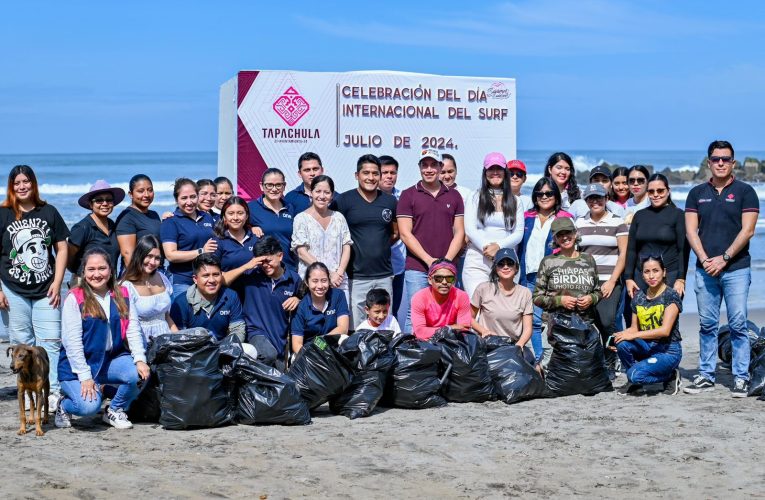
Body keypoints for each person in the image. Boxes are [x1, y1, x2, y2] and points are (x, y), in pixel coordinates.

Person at [684, 140, 759, 396]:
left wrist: (724, 258)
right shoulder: (696, 193)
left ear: (733, 163)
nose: (720, 163)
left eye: (725, 159)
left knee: (738, 324)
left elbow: (747, 230)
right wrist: (706, 260)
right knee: (707, 324)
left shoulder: (746, 191)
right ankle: (705, 375)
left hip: (737, 268)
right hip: (705, 270)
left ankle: (740, 376)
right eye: (716, 159)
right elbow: (691, 231)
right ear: (709, 162)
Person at [55, 247, 149, 430]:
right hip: (77, 366)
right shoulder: (75, 298)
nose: (97, 274)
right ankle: (63, 405)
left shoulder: (123, 293)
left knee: (139, 376)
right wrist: (85, 377)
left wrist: (139, 359)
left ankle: (114, 409)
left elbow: (133, 330)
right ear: (83, 272)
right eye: (91, 269)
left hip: (110, 359)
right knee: (88, 406)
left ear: (111, 270)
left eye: (102, 268)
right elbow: (71, 342)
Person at [0, 165, 69, 407]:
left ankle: (51, 392)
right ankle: (28, 394)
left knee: (50, 342)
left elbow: (62, 248)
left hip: (46, 290)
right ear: (11, 186)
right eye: (17, 182)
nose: (22, 186)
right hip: (12, 289)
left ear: (33, 184)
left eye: (26, 181)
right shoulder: (3, 214)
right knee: (21, 341)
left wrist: (58, 282)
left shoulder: (48, 211)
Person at [398, 148, 465, 332]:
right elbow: (405, 233)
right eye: (424, 165)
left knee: (448, 314)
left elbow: (459, 232)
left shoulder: (454, 195)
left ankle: (440, 356)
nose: (429, 169)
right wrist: (430, 261)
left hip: (449, 267)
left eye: (433, 165)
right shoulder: (408, 195)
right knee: (416, 314)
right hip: (418, 267)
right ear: (419, 167)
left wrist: (446, 263)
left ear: (440, 167)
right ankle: (411, 357)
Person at [334, 154, 398, 328]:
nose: (371, 177)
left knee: (384, 324)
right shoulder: (343, 201)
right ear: (357, 175)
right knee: (357, 326)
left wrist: (379, 248)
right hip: (356, 276)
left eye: (375, 173)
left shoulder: (390, 201)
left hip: (384, 274)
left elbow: (396, 232)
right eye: (366, 173)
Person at [517, 178, 573, 365]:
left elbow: (571, 246)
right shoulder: (526, 216)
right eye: (540, 193)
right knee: (533, 322)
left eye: (549, 193)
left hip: (555, 277)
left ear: (556, 196)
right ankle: (539, 362)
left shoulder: (564, 217)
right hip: (529, 277)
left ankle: (553, 362)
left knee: (554, 322)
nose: (544, 197)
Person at [576, 183, 629, 378]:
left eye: (599, 197)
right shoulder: (579, 223)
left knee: (607, 322)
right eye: (591, 198)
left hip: (610, 281)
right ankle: (594, 362)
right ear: (586, 201)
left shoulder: (617, 221)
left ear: (606, 199)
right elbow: (577, 253)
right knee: (589, 323)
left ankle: (610, 360)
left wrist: (613, 281)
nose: (595, 201)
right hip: (585, 283)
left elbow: (623, 254)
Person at [614, 255, 683, 395]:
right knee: (622, 344)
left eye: (655, 270)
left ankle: (670, 376)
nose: (651, 275)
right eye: (647, 272)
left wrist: (633, 335)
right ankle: (636, 381)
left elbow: (664, 331)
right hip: (647, 347)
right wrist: (622, 335)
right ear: (642, 274)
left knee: (634, 375)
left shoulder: (671, 295)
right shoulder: (638, 297)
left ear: (663, 272)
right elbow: (634, 328)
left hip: (668, 351)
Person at [463, 152, 523, 298]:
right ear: (485, 172)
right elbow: (470, 229)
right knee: (478, 308)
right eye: (491, 169)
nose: (495, 172)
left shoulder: (515, 201)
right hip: (477, 261)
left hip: (507, 262)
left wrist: (498, 248)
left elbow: (518, 233)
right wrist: (487, 248)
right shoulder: (474, 196)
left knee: (504, 312)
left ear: (505, 172)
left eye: (499, 169)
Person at [238, 236, 301, 366]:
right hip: (255, 333)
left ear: (280, 256)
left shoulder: (294, 279)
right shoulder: (250, 274)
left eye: (269, 260)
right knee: (267, 354)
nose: (265, 265)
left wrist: (298, 299)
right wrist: (246, 266)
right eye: (261, 262)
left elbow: (306, 300)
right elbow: (223, 280)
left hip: (280, 341)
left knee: (278, 378)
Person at [624, 173, 687, 299]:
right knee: (642, 317)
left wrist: (681, 278)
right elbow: (631, 250)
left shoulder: (678, 214)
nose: (656, 194)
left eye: (660, 190)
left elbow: (683, 250)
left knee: (668, 318)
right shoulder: (640, 215)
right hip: (642, 276)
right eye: (651, 191)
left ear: (668, 191)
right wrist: (628, 278)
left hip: (670, 275)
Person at [291, 175, 352, 305]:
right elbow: (302, 252)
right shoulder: (301, 219)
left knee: (341, 322)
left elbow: (346, 246)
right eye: (318, 191)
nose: (322, 196)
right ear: (311, 193)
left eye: (327, 192)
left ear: (332, 195)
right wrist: (328, 274)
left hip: (338, 281)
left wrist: (339, 273)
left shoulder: (339, 217)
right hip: (312, 283)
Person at [470, 248, 534, 364]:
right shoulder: (483, 288)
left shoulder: (525, 293)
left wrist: (519, 346)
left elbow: (528, 328)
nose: (505, 267)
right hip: (488, 345)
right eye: (501, 264)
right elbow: (469, 318)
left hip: (514, 345)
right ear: (495, 268)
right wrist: (483, 331)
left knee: (535, 371)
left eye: (510, 263)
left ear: (516, 268)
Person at [533, 217, 602, 325]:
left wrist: (591, 298)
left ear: (575, 234)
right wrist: (560, 301)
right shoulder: (548, 261)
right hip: (558, 325)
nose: (565, 237)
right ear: (555, 239)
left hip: (585, 324)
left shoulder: (588, 259)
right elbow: (537, 298)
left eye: (568, 232)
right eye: (560, 235)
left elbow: (598, 291)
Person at [160, 178, 217, 299]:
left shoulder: (207, 217)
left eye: (193, 196)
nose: (189, 202)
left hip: (207, 279)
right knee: (184, 317)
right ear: (176, 200)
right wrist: (201, 251)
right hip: (182, 280)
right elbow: (170, 255)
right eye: (184, 198)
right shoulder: (171, 221)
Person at [169, 253, 245, 342]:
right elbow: (180, 338)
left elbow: (238, 330)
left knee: (249, 350)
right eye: (206, 276)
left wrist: (225, 348)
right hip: (194, 350)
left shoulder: (231, 296)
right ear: (195, 279)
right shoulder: (181, 302)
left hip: (224, 348)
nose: (212, 280)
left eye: (216, 275)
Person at [121, 235, 177, 345]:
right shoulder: (126, 286)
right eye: (149, 256)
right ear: (139, 255)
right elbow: (125, 327)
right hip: (142, 342)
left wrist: (178, 340)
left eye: (157, 258)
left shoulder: (163, 278)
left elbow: (166, 316)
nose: (153, 262)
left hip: (166, 340)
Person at [68, 180, 125, 279]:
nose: (105, 203)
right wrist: (81, 276)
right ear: (90, 204)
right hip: (86, 284)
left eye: (109, 200)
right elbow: (68, 258)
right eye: (99, 200)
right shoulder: (82, 228)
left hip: (110, 284)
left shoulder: (114, 226)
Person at [290, 262, 350, 354]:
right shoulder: (300, 307)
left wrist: (321, 344)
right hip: (310, 351)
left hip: (332, 346)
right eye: (315, 281)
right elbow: (297, 344)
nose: (320, 286)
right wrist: (313, 355)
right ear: (307, 282)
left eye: (324, 280)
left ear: (329, 281)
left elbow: (343, 328)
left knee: (345, 339)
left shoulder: (338, 295)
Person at [248, 168, 297, 270]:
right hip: (264, 269)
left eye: (278, 185)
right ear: (261, 186)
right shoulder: (251, 208)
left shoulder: (290, 208)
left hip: (289, 268)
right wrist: (250, 228)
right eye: (269, 185)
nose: (274, 189)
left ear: (284, 186)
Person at [410, 259, 471, 341]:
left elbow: (464, 330)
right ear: (430, 280)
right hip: (426, 343)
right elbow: (420, 332)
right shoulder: (419, 298)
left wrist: (435, 331)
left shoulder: (462, 296)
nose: (444, 282)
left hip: (451, 342)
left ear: (454, 281)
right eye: (439, 278)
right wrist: (450, 328)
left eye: (449, 278)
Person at [379, 155, 408, 328]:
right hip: (372, 266)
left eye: (393, 172)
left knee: (392, 311)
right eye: (385, 173)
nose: (389, 176)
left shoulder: (403, 197)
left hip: (397, 265)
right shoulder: (368, 197)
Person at [115, 174, 162, 273]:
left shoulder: (154, 215)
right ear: (131, 194)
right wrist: (142, 280)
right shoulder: (126, 217)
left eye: (150, 190)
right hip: (137, 274)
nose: (146, 195)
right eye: (140, 191)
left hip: (156, 271)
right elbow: (128, 255)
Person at [213, 196, 258, 297]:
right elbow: (216, 276)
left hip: (254, 297)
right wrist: (246, 266)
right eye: (231, 213)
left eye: (240, 213)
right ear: (224, 217)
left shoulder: (257, 238)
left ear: (246, 216)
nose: (236, 218)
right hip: (227, 297)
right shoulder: (217, 242)